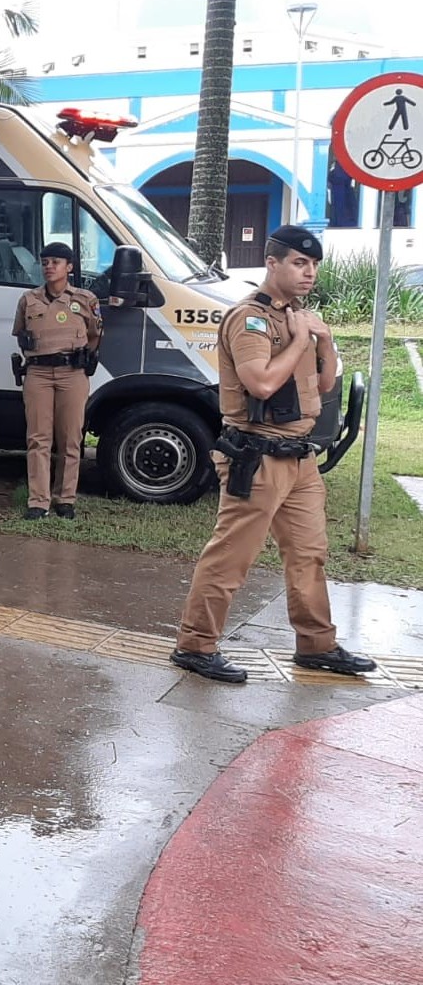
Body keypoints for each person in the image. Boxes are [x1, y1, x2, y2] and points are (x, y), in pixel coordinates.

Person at [171, 225, 376, 684]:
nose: (310, 273)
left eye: (315, 266)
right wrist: (304, 340)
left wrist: (322, 341)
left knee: (309, 554)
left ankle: (316, 644)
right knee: (231, 555)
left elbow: (323, 388)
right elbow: (260, 383)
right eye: (300, 264)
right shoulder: (250, 318)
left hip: (300, 459)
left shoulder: (296, 316)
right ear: (273, 262)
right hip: (258, 456)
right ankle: (195, 644)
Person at [11, 242, 103, 520]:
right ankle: (38, 501)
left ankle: (65, 499)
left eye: (56, 262)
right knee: (38, 438)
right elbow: (20, 333)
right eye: (46, 262)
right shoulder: (29, 299)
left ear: (69, 267)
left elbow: (95, 335)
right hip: (38, 373)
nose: (49, 266)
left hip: (71, 373)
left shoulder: (86, 299)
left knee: (70, 439)